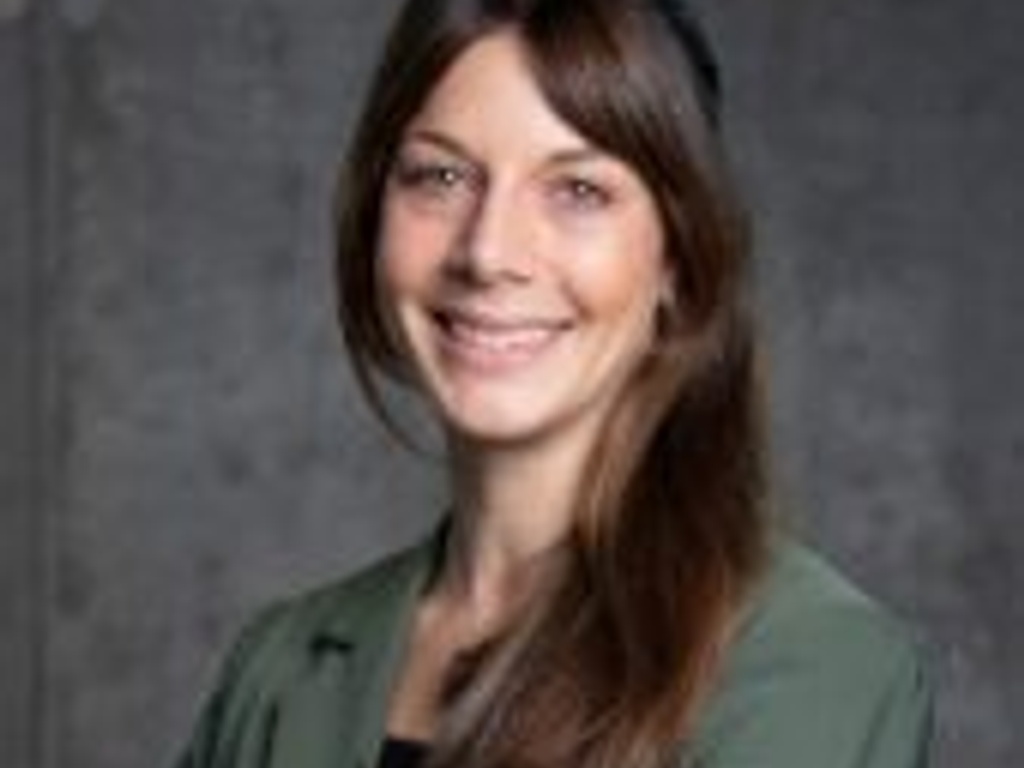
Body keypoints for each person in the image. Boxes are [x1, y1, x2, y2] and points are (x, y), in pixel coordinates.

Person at [176, 1, 933, 766]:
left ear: (678, 257)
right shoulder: (279, 669)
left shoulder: (810, 664)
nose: (488, 251)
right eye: (440, 176)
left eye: (577, 191)